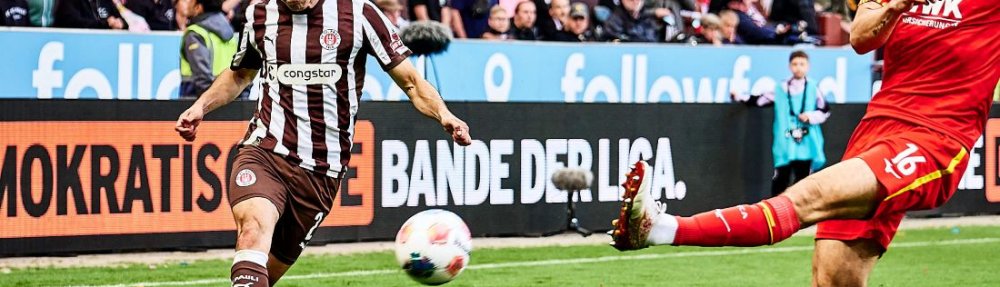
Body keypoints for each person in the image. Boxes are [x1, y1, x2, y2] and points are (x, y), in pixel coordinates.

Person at [610, 0, 999, 286]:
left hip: (935, 139)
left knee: (807, 196)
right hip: (876, 129)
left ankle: (661, 228)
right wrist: (896, 6)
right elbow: (862, 38)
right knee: (832, 280)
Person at [174, 0, 472, 286]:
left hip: (321, 173)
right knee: (253, 228)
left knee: (266, 273)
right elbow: (240, 75)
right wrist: (201, 106)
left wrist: (444, 115)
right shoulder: (259, 15)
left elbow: (411, 82)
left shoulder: (360, 14)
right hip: (265, 151)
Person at [733, 50, 830, 197]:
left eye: (802, 64)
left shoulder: (813, 87)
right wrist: (739, 96)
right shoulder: (781, 88)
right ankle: (775, 214)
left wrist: (810, 116)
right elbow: (759, 100)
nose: (798, 67)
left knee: (803, 181)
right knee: (780, 179)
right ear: (789, 66)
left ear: (808, 66)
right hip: (784, 144)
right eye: (795, 64)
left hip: (806, 144)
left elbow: (825, 110)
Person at [178, 0, 237, 99]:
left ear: (198, 7)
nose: (187, 4)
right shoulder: (230, 34)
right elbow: (242, 74)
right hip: (230, 100)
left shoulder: (195, 33)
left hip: (197, 102)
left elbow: (202, 78)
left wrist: (207, 102)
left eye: (191, 1)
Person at [54, 0, 129, 30]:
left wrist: (120, 23)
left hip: (105, 46)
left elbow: (124, 22)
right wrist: (106, 24)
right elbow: (73, 22)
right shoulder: (70, 1)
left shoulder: (106, 1)